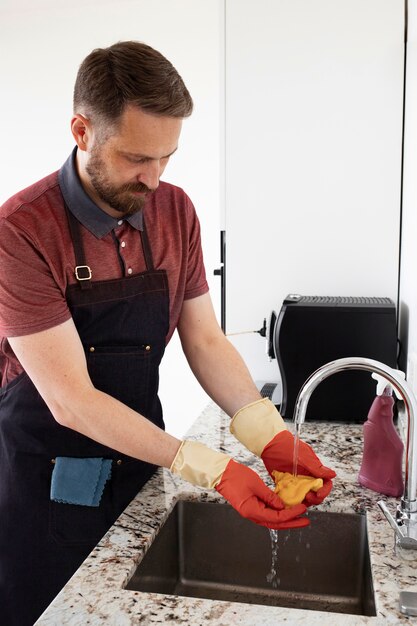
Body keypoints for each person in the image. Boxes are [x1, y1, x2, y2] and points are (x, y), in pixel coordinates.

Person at [0, 41, 335, 625]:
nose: (154, 179)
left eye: (167, 158)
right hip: (44, 481)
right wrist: (213, 468)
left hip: (140, 462)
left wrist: (269, 436)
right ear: (82, 130)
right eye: (136, 159)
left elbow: (203, 339)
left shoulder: (175, 210)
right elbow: (71, 401)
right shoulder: (20, 232)